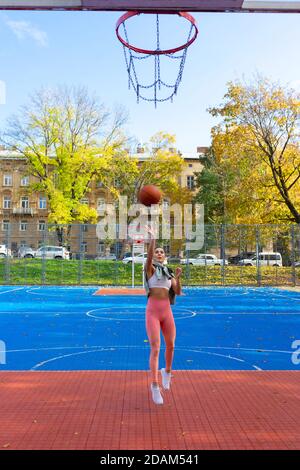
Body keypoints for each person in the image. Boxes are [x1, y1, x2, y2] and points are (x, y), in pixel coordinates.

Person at [144, 225, 182, 405]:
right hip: (153, 311)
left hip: (167, 312)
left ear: (165, 256)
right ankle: (154, 385)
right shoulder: (150, 269)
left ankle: (167, 371)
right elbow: (149, 256)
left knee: (172, 346)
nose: (159, 253)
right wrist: (153, 240)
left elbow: (178, 292)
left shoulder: (168, 273)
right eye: (157, 252)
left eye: (161, 252)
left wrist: (179, 277)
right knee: (155, 348)